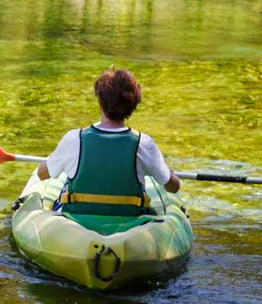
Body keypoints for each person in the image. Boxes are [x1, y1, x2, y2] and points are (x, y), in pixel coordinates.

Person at [37, 68, 181, 218]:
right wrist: (169, 173)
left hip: (77, 220)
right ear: (133, 104)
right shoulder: (144, 143)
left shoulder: (74, 139)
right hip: (129, 220)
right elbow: (173, 187)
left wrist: (56, 158)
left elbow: (41, 174)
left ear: (100, 101)